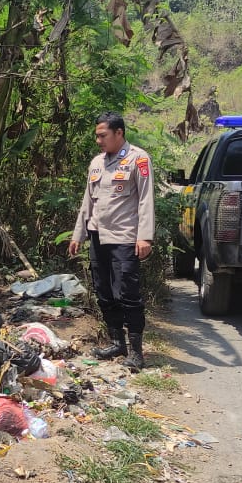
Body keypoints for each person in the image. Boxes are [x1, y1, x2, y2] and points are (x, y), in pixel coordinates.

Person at [68, 112, 155, 371]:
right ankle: (117, 343)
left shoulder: (138, 159)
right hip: (97, 235)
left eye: (103, 135)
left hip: (125, 237)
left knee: (127, 293)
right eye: (97, 136)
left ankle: (136, 353)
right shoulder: (96, 163)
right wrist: (78, 235)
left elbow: (145, 199)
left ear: (119, 133)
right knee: (103, 291)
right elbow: (88, 201)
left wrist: (145, 236)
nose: (98, 141)